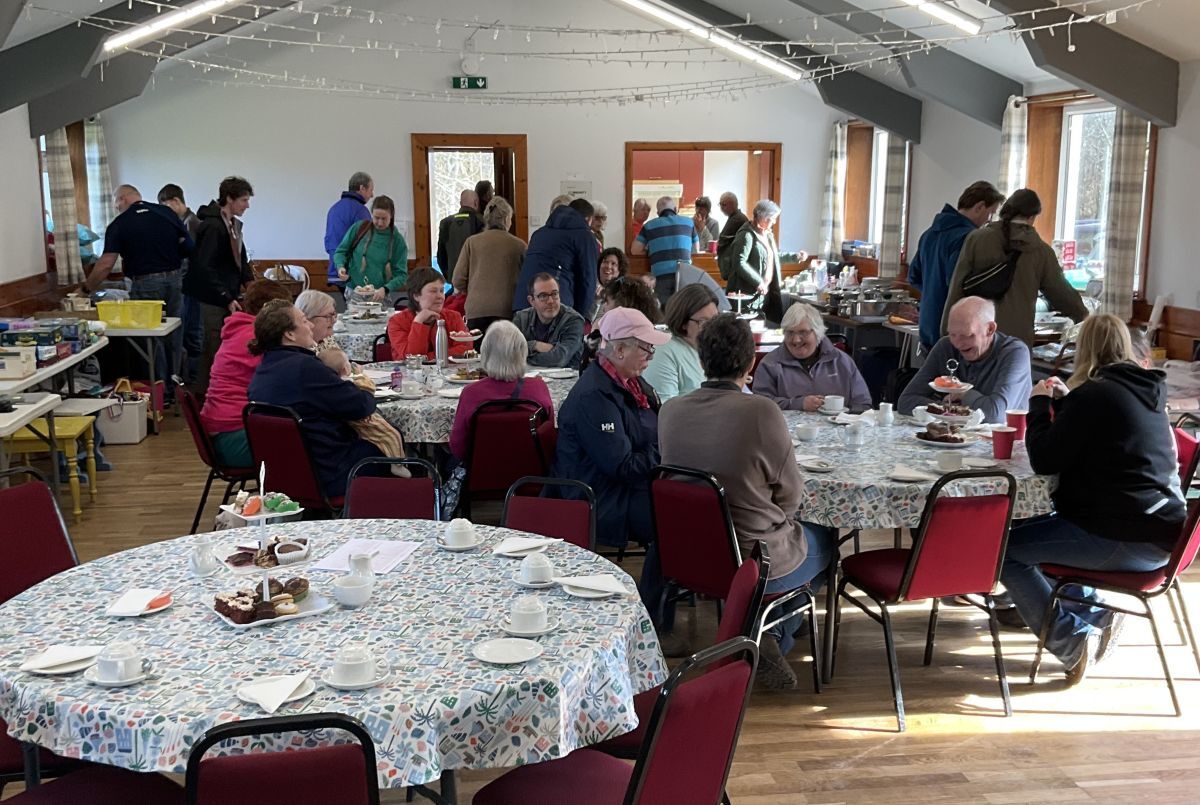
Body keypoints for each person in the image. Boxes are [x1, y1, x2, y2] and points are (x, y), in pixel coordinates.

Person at [1001, 314, 1186, 685]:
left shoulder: (1095, 395)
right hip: (1163, 529)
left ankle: (1071, 641)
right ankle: (1098, 615)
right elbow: (1105, 432)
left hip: (1124, 535)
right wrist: (1069, 403)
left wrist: (1039, 406)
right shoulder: (1145, 390)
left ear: (1085, 348)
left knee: (1004, 552)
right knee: (1029, 532)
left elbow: (1046, 459)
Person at [660, 313, 838, 687]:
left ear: (701, 358)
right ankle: (773, 633)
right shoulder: (760, 411)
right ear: (750, 362)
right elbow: (791, 496)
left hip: (689, 552)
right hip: (753, 556)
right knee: (827, 541)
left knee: (788, 535)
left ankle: (773, 621)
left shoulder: (670, 411)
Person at [554, 307, 669, 623]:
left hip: (629, 486)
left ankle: (665, 607)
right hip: (600, 498)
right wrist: (666, 449)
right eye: (646, 348)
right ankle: (652, 616)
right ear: (619, 349)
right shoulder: (594, 396)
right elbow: (623, 466)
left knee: (687, 505)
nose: (651, 355)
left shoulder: (631, 383)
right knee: (673, 521)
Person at [246, 302, 381, 499]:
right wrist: (366, 387)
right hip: (329, 473)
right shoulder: (306, 368)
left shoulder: (263, 371)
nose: (310, 325)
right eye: (303, 321)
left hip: (284, 476)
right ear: (289, 334)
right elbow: (360, 406)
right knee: (404, 456)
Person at [85, 183, 192, 401]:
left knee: (150, 339)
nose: (116, 207)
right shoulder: (166, 213)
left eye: (116, 203)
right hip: (174, 280)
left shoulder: (120, 223)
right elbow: (188, 247)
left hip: (144, 283)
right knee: (173, 334)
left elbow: (106, 264)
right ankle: (175, 386)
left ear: (122, 199)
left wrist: (87, 288)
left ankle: (160, 390)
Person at [944, 188, 1089, 347]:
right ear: (1032, 217)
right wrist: (1083, 315)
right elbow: (1062, 294)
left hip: (975, 337)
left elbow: (956, 288)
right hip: (1016, 343)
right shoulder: (1041, 251)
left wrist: (946, 333)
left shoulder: (977, 239)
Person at [199, 281, 293, 468]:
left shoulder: (240, 329)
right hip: (234, 436)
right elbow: (286, 377)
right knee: (312, 440)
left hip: (224, 428)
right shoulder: (256, 338)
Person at [899, 296, 1033, 423]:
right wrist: (950, 411)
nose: (958, 343)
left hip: (999, 442)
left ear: (990, 329)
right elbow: (906, 401)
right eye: (952, 334)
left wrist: (964, 395)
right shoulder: (946, 346)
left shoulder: (1014, 353)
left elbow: (995, 415)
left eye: (967, 335)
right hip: (952, 439)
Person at [907, 181, 1005, 352]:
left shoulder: (929, 234)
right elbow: (958, 285)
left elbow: (914, 277)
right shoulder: (967, 238)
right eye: (991, 213)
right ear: (980, 206)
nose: (989, 221)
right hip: (954, 328)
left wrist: (932, 295)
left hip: (927, 324)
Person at [185, 176, 254, 397]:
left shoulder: (232, 224)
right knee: (211, 349)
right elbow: (204, 267)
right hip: (210, 298)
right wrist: (226, 297)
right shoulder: (213, 226)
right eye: (243, 200)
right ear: (229, 199)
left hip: (224, 295)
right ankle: (205, 397)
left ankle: (215, 394)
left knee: (219, 346)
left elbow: (241, 260)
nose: (247, 205)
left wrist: (252, 287)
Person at [449, 320, 555, 461]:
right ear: (522, 352)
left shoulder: (471, 393)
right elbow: (549, 438)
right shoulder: (538, 388)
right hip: (532, 474)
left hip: (482, 475)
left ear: (485, 354)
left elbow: (458, 448)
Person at [753, 302, 872, 412]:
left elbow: (863, 404)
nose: (796, 340)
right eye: (790, 332)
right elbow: (760, 406)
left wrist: (845, 417)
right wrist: (798, 404)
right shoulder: (770, 364)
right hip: (786, 433)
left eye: (803, 332)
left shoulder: (842, 361)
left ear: (817, 332)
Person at [317, 347, 410, 476]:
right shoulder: (349, 383)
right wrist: (361, 374)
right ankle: (398, 463)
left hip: (345, 430)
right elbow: (368, 390)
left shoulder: (329, 384)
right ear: (345, 369)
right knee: (391, 434)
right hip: (364, 420)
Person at [511, 198, 598, 319]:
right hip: (554, 306)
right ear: (588, 219)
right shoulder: (584, 236)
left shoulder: (538, 234)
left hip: (523, 304)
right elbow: (588, 281)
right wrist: (578, 317)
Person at [452, 197, 526, 333]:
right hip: (507, 310)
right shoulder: (519, 245)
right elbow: (527, 280)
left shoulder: (471, 242)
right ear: (506, 219)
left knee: (478, 353)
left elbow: (457, 280)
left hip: (476, 310)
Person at [157, 183, 204, 381]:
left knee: (192, 332)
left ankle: (192, 379)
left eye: (166, 205)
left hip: (190, 285)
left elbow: (189, 259)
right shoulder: (185, 222)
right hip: (188, 284)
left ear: (176, 201)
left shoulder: (190, 223)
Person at [642, 283, 719, 402]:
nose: (712, 328)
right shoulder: (664, 352)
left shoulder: (711, 350)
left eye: (715, 321)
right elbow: (664, 408)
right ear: (683, 322)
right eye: (703, 322)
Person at [334, 195, 408, 305]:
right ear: (371, 215)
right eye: (376, 218)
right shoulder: (359, 228)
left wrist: (386, 289)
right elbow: (341, 251)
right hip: (354, 292)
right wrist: (340, 267)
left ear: (391, 216)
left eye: (384, 219)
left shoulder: (397, 241)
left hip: (379, 296)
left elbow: (401, 275)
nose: (380, 223)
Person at [387, 267, 473, 361]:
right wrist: (419, 322)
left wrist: (428, 357)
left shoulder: (454, 317)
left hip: (451, 374)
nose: (440, 296)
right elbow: (412, 357)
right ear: (416, 295)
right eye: (433, 291)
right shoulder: (397, 322)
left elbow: (465, 349)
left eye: (441, 291)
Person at [630, 196, 698, 306]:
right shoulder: (689, 223)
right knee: (683, 311)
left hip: (661, 276)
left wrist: (651, 250)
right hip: (685, 274)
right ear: (676, 209)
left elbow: (634, 250)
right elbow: (696, 249)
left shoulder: (649, 226)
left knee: (663, 312)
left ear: (658, 213)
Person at [512, 274, 585, 369]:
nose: (550, 301)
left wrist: (523, 355)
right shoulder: (521, 318)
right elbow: (506, 351)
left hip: (564, 381)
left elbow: (560, 359)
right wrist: (534, 345)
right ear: (532, 301)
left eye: (555, 294)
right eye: (543, 296)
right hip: (527, 378)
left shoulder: (573, 320)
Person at [729, 199, 783, 323]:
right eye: (772, 218)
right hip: (747, 296)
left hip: (766, 294)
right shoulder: (746, 235)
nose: (774, 222)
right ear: (763, 218)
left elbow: (774, 257)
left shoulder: (767, 234)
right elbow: (739, 262)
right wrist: (758, 282)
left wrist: (795, 257)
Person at [324, 171, 374, 303]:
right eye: (370, 190)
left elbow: (329, 241)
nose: (372, 195)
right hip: (353, 272)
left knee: (351, 310)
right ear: (362, 188)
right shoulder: (360, 211)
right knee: (362, 312)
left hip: (335, 269)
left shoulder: (334, 209)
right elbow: (367, 242)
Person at [437, 189, 484, 275]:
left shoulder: (446, 223)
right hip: (476, 279)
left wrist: (449, 275)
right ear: (476, 202)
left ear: (460, 203)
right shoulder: (482, 222)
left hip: (454, 279)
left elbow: (441, 256)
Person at [716, 192, 749, 286]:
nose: (721, 207)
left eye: (724, 204)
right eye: (720, 204)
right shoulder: (735, 217)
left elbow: (722, 239)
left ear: (732, 204)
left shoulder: (737, 218)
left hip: (734, 264)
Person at [294, 289, 339, 354]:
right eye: (328, 316)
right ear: (308, 319)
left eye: (334, 314)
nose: (334, 320)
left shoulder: (327, 340)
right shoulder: (303, 350)